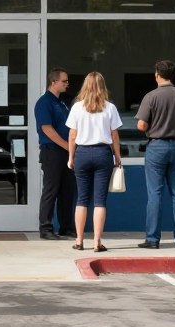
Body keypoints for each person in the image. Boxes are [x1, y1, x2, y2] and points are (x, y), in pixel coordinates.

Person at [136, 60, 175, 249]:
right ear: (173, 75)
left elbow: (141, 125)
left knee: (155, 193)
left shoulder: (151, 97)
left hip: (156, 146)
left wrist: (153, 129)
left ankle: (153, 239)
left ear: (157, 75)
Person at [66, 72, 122, 252]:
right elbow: (114, 135)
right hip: (102, 153)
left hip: (82, 153)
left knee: (82, 199)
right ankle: (97, 241)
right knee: (100, 201)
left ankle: (79, 240)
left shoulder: (77, 107)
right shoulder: (110, 108)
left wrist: (71, 157)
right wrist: (117, 157)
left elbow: (72, 135)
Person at [34, 67, 75, 240]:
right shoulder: (44, 102)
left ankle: (66, 227)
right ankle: (46, 227)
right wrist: (67, 146)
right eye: (64, 81)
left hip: (67, 152)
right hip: (52, 151)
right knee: (51, 189)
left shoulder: (63, 102)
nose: (67, 84)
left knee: (67, 190)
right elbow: (47, 129)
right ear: (54, 82)